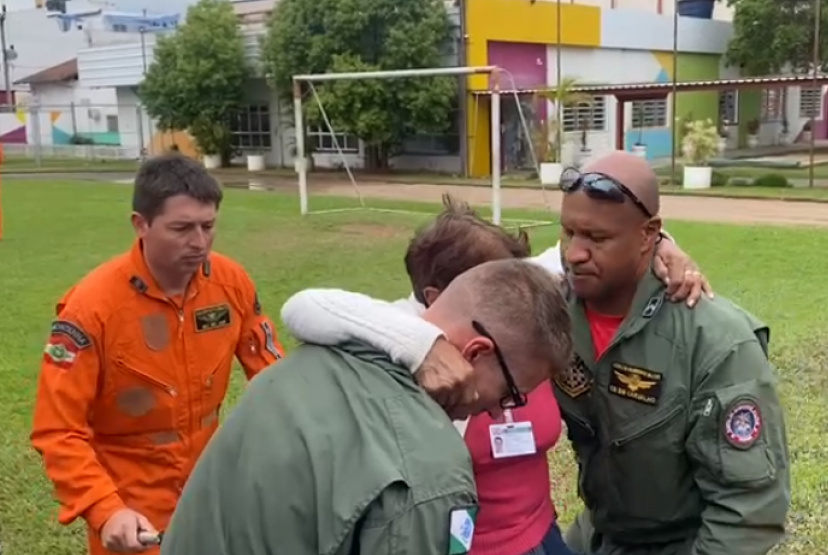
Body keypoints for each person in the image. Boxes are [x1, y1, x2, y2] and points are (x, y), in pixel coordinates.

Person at [282, 154, 791, 555]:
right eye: (568, 232)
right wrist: (423, 345)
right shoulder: (544, 302)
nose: (573, 251)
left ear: (647, 236)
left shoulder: (716, 340)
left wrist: (665, 246)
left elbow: (749, 507)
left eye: (595, 237)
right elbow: (306, 306)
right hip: (595, 537)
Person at [160, 258, 575, 555]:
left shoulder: (309, 362)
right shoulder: (431, 466)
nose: (501, 413)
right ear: (477, 352)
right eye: (510, 394)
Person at [30, 153, 285, 555]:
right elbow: (58, 431)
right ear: (141, 225)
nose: (199, 242)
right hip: (132, 505)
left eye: (208, 226)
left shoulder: (230, 283)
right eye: (181, 228)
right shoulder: (92, 309)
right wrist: (106, 509)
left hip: (211, 488)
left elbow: (275, 377)